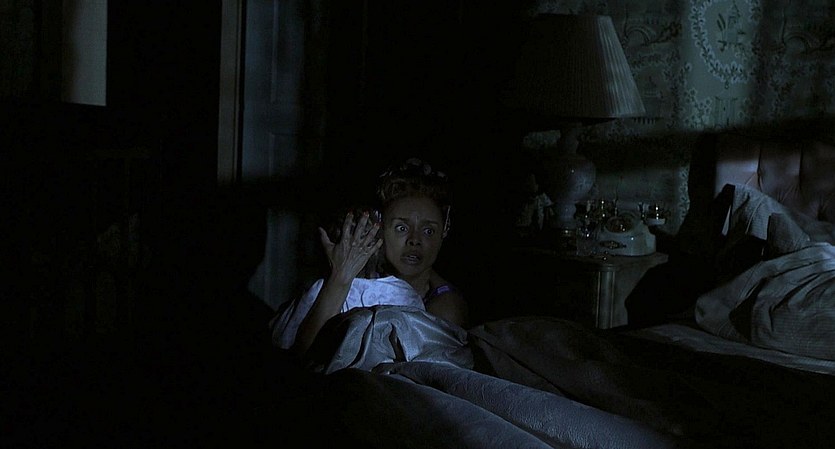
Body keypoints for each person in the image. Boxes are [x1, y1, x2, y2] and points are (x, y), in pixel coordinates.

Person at [271, 157, 468, 356]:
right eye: (401, 228)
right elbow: (304, 354)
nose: (414, 240)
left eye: (428, 231)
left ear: (445, 230)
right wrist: (340, 277)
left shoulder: (445, 306)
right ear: (380, 228)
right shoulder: (363, 280)